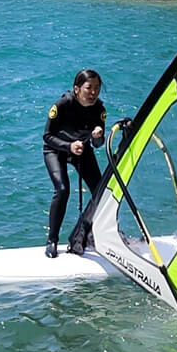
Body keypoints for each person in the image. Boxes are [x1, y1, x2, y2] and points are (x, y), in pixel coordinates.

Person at [43, 69, 106, 257]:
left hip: (82, 150)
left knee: (102, 192)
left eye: (97, 88)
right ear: (77, 89)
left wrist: (98, 137)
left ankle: (93, 234)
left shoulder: (99, 109)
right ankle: (52, 240)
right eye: (89, 88)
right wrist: (68, 146)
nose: (93, 93)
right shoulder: (62, 105)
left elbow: (98, 144)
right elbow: (47, 136)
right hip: (56, 150)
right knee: (62, 190)